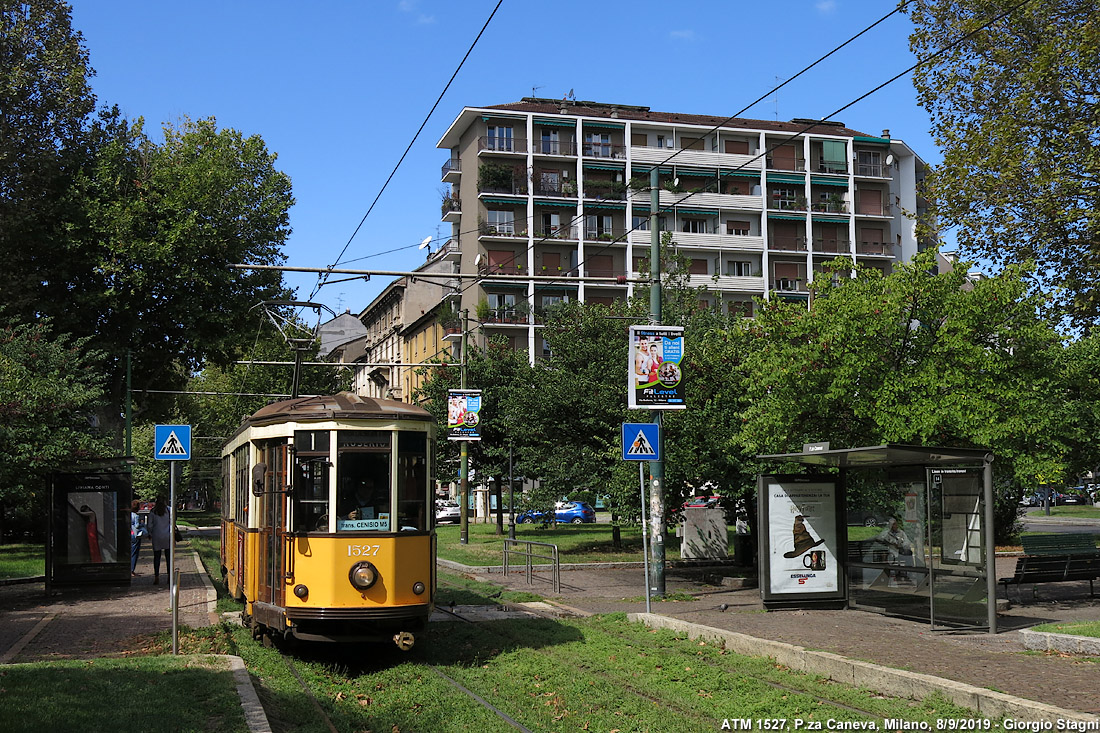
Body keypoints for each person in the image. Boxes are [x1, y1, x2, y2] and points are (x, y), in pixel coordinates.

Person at [146, 497, 174, 585]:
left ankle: (156, 576)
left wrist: (150, 533)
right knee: (168, 557)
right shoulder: (169, 510)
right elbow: (172, 522)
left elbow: (149, 525)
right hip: (167, 536)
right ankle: (169, 576)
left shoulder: (153, 511)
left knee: (157, 557)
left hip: (156, 536)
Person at [130, 500, 147, 577]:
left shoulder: (129, 515)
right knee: (134, 553)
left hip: (130, 534)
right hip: (135, 535)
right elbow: (137, 526)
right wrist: (142, 524)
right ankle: (132, 570)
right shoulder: (136, 516)